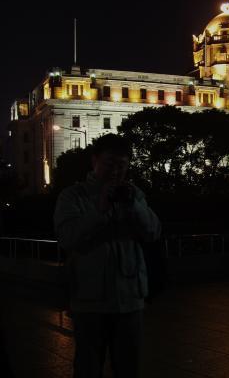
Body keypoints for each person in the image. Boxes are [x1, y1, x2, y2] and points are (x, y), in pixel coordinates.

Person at [53, 135, 161, 378]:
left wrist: (135, 206)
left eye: (122, 165)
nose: (115, 171)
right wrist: (98, 210)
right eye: (109, 164)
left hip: (130, 298)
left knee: (128, 366)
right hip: (89, 299)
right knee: (88, 366)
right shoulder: (72, 196)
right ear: (94, 161)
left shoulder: (133, 194)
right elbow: (68, 238)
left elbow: (154, 231)